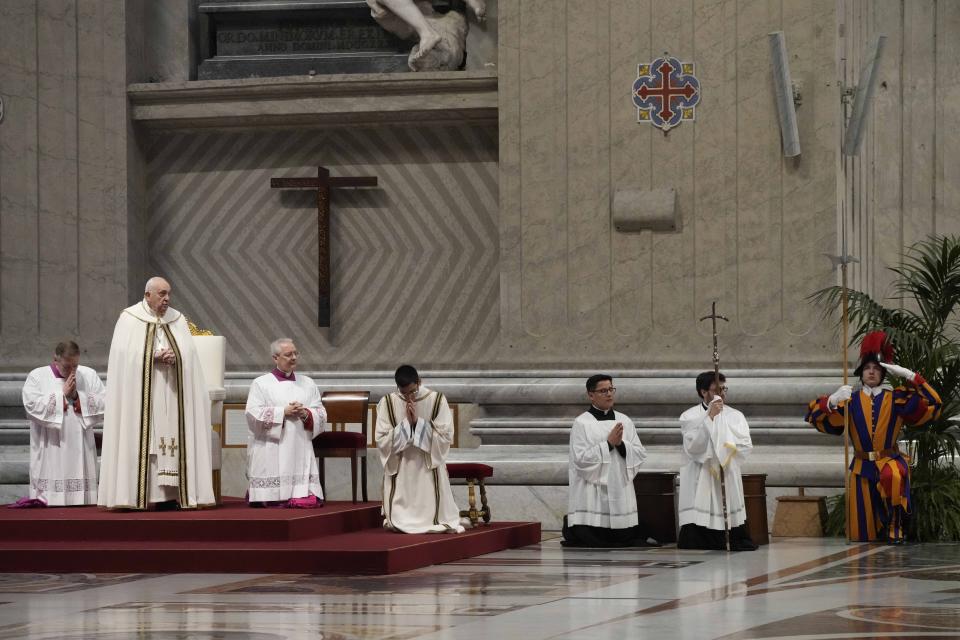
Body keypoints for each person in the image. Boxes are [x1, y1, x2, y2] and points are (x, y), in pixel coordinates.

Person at [805, 331, 941, 543]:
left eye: (876, 369)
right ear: (861, 373)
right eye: (867, 368)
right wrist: (831, 401)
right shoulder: (849, 400)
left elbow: (933, 404)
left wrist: (911, 376)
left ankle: (896, 526)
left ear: (883, 374)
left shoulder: (896, 398)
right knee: (861, 536)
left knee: (893, 476)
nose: (871, 372)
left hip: (889, 460)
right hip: (861, 466)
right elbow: (815, 418)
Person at [98, 277, 215, 510]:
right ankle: (134, 496)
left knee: (172, 439)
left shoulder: (178, 319)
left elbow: (190, 357)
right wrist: (152, 356)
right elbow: (122, 359)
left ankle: (170, 496)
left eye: (168, 294)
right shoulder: (129, 319)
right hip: (141, 397)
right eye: (161, 294)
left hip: (173, 395)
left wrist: (176, 358)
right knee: (145, 440)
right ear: (147, 294)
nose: (167, 299)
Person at [562, 374, 657, 547]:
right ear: (591, 395)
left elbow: (639, 453)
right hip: (592, 490)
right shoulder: (582, 423)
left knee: (625, 533)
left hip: (618, 483)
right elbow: (580, 459)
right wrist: (608, 445)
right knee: (595, 533)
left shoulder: (624, 420)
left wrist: (621, 445)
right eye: (603, 390)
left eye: (611, 389)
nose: (609, 394)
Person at [375, 365, 464, 533]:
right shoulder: (387, 402)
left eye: (413, 392)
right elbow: (381, 439)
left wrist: (418, 423)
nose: (409, 398)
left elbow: (445, 437)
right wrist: (406, 425)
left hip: (427, 465)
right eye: (404, 393)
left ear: (419, 382)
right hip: (402, 466)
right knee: (398, 521)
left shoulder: (437, 400)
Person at [677, 372, 757, 551]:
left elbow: (745, 444)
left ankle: (732, 538)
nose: (722, 393)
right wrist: (710, 418)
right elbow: (693, 446)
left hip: (726, 470)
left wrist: (725, 453)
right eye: (717, 389)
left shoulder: (736, 416)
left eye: (724, 388)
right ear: (703, 392)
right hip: (701, 471)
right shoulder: (689, 416)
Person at [21, 340, 105, 506]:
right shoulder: (37, 376)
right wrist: (62, 395)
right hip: (52, 444)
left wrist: (77, 397)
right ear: (55, 360)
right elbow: (30, 405)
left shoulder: (88, 375)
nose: (72, 371)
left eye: (75, 366)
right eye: (67, 366)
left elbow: (104, 401)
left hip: (80, 441)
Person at [245, 338, 326, 507]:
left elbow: (320, 412)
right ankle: (270, 494)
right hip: (272, 444)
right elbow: (253, 414)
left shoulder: (308, 383)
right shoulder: (261, 383)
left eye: (296, 353)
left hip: (299, 440)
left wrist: (305, 413)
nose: (294, 357)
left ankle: (300, 492)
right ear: (275, 358)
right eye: (288, 354)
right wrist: (283, 412)